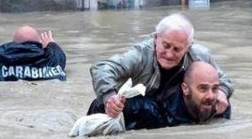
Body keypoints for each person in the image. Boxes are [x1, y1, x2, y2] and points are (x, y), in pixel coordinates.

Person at [87, 13, 233, 119]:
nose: (169, 54)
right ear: (156, 38)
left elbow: (223, 81)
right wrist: (110, 98)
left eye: (177, 49)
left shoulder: (200, 55)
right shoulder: (140, 55)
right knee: (147, 110)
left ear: (188, 48)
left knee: (220, 105)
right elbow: (102, 68)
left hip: (169, 108)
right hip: (138, 106)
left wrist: (221, 92)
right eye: (166, 46)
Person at [122, 61, 232, 130]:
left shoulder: (221, 106)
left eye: (215, 88)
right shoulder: (152, 112)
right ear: (185, 89)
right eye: (203, 88)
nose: (211, 96)